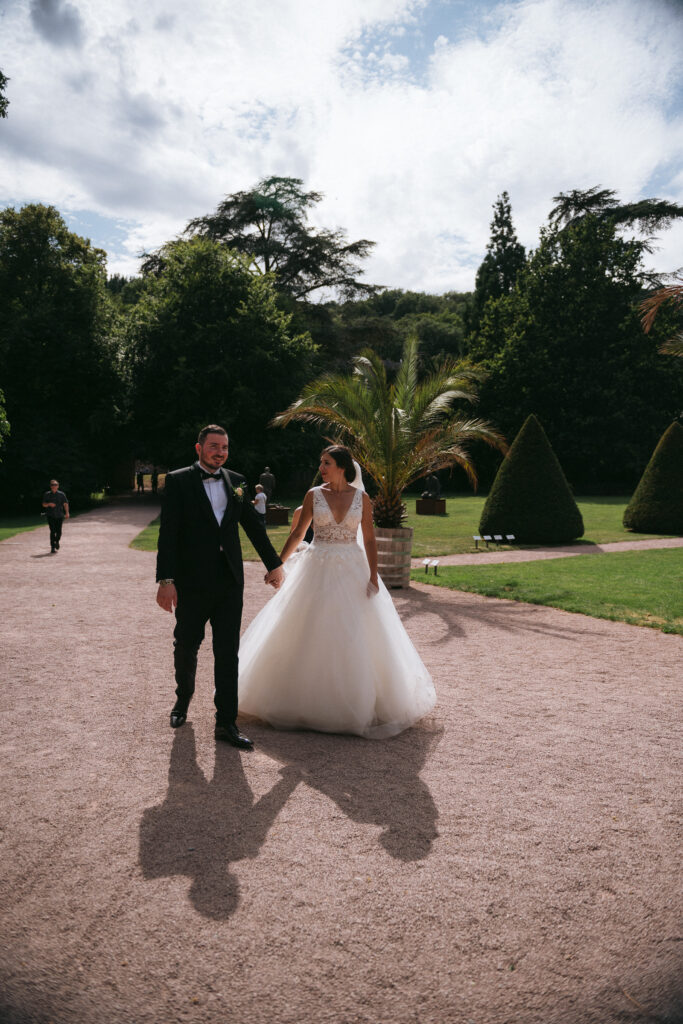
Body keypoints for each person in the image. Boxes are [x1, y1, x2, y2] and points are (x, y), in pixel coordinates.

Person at [238, 445, 436, 738]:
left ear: (342, 466)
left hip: (353, 569)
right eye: (321, 462)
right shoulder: (313, 495)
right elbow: (297, 533)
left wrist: (372, 575)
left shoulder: (362, 499)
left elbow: (369, 539)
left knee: (355, 632)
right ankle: (299, 701)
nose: (322, 467)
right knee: (308, 628)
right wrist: (277, 565)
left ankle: (354, 704)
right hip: (316, 568)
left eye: (327, 462)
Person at [155, 425, 284, 749]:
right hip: (191, 584)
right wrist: (166, 581)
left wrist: (274, 565)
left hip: (229, 583)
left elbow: (253, 528)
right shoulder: (178, 480)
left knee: (227, 654)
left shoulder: (238, 481)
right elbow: (168, 534)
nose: (220, 452)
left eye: (224, 447)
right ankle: (182, 700)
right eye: (214, 446)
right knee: (186, 646)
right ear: (198, 448)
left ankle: (225, 723)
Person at [42, 479, 70, 554]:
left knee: (59, 532)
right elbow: (43, 504)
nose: (54, 486)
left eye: (55, 485)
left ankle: (57, 541)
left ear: (58, 486)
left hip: (59, 515)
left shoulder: (61, 494)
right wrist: (48, 504)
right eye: (52, 485)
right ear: (50, 486)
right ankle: (53, 547)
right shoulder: (47, 494)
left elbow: (65, 504)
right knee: (52, 531)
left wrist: (67, 513)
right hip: (50, 515)